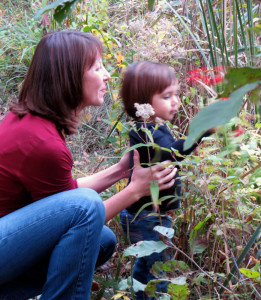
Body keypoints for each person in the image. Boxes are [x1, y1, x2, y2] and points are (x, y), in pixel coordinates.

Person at [0, 31, 177, 299]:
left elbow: (63, 199)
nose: (107, 75)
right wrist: (135, 190)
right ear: (69, 77)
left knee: (102, 241)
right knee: (87, 207)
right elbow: (79, 211)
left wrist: (121, 170)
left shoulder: (29, 121)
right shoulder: (43, 144)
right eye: (96, 67)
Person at [120, 61, 214, 299]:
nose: (176, 102)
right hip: (147, 217)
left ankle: (139, 294)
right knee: (159, 270)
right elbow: (172, 154)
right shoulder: (146, 130)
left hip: (145, 215)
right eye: (166, 96)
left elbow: (169, 152)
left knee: (146, 266)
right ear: (142, 102)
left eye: (176, 95)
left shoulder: (151, 128)